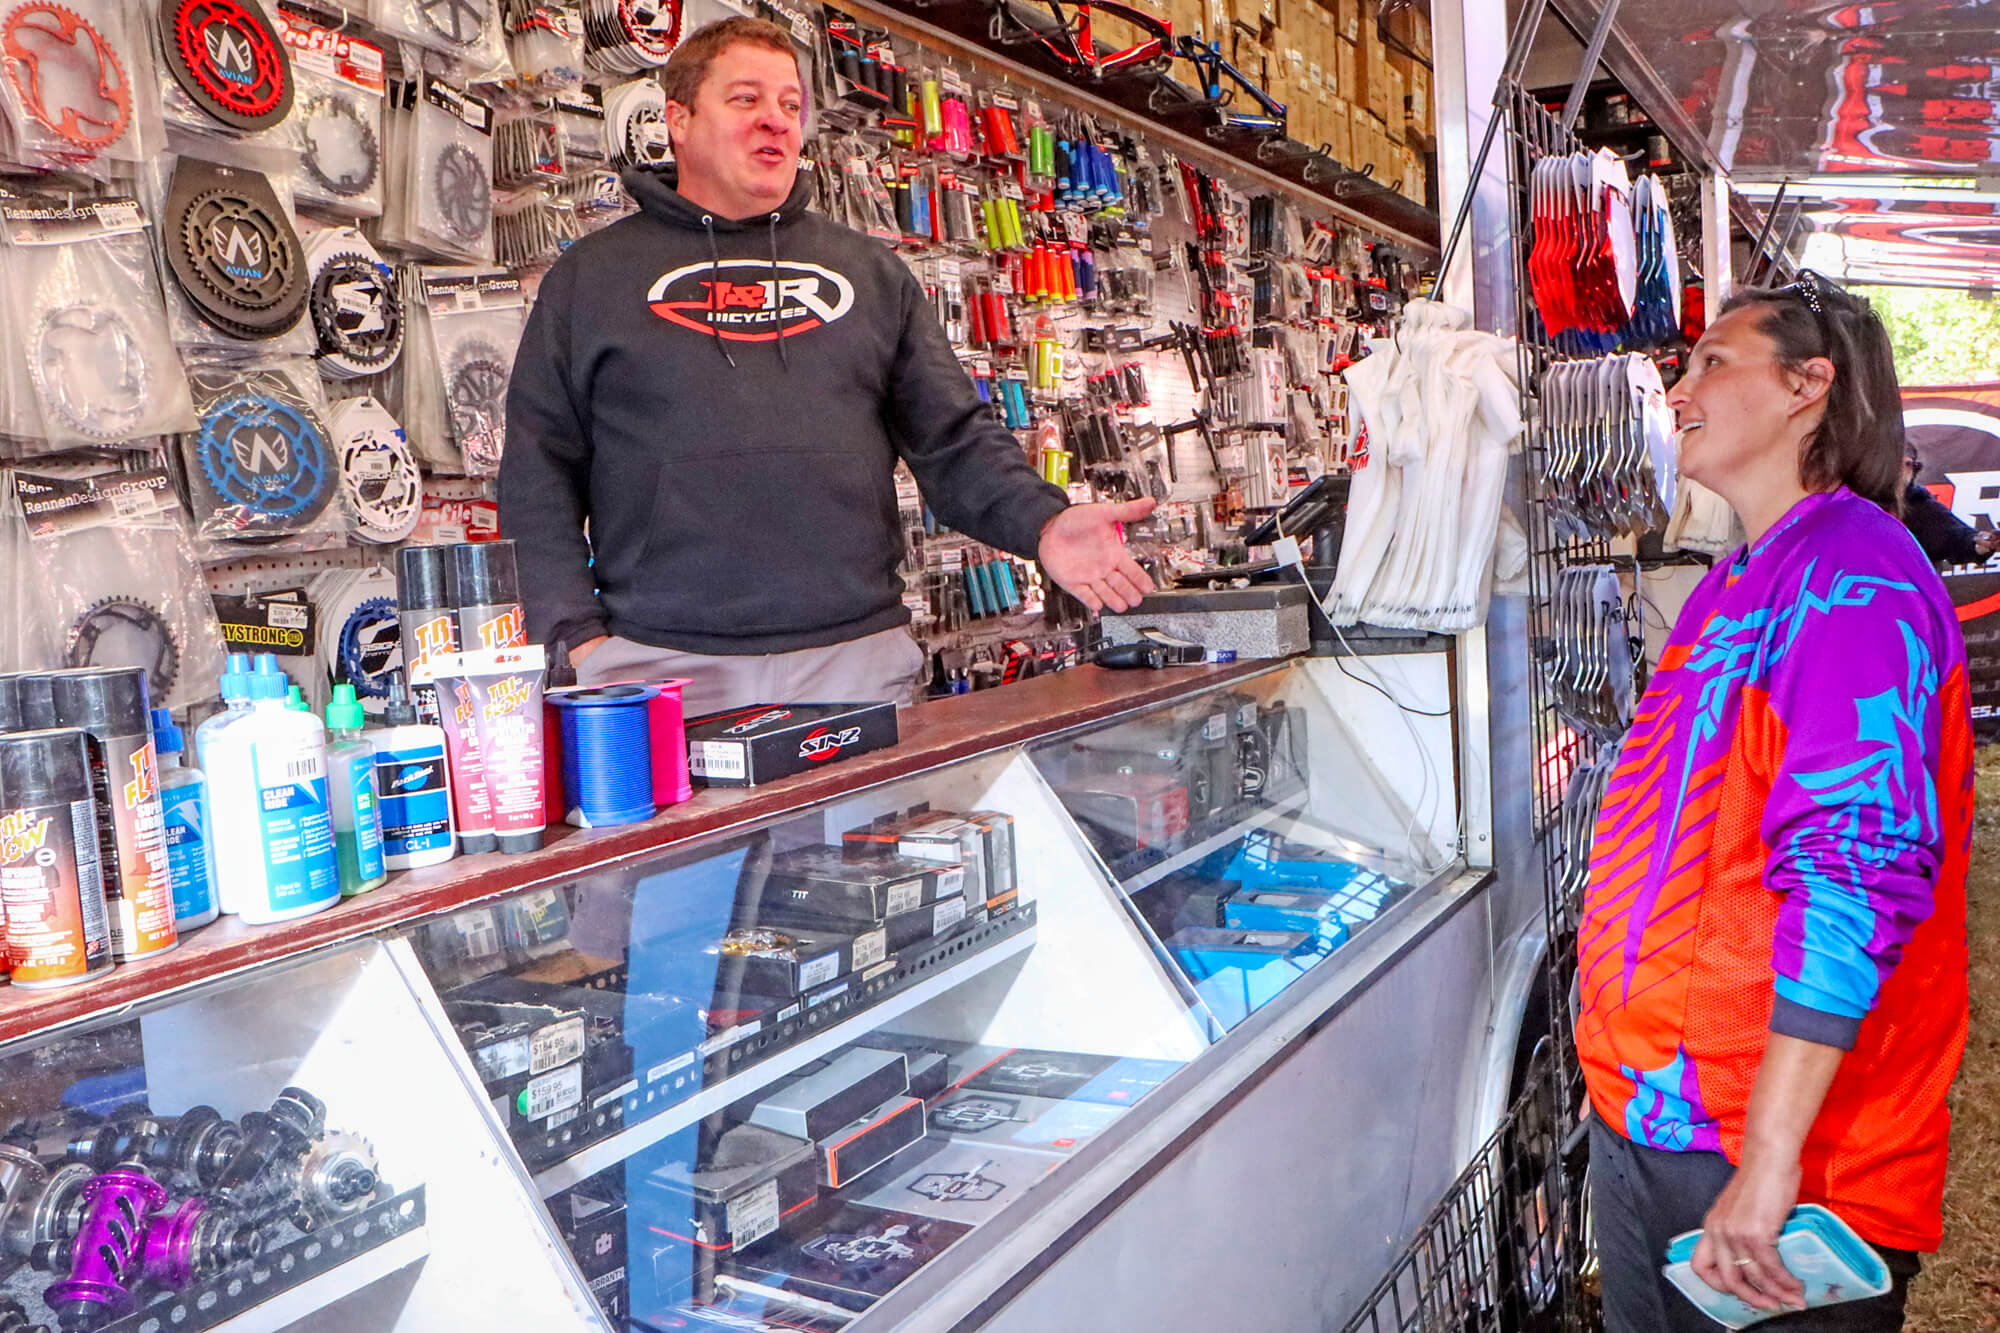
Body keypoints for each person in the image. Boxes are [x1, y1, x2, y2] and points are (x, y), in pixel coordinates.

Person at [499, 17, 1155, 716]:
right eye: (746, 100)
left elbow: (955, 439)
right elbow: (538, 473)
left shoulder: (869, 273)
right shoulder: (591, 280)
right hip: (662, 669)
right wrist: (575, 641)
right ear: (679, 121)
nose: (775, 123)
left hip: (855, 662)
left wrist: (1044, 523)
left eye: (789, 105)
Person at [1576, 271, 1972, 1331]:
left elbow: (1853, 879)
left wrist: (1766, 1163)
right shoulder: (1738, 577)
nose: (1676, 388)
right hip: (1663, 1116)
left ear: (1807, 385)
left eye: (1710, 360)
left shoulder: (1856, 577)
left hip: (1777, 1156)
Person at [1900, 447, 1995, 565]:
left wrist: (1979, 544)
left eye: (1907, 464)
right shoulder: (1871, 503)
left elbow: (1956, 537)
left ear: (1914, 469)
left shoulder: (1924, 507)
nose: (1900, 470)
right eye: (1894, 464)